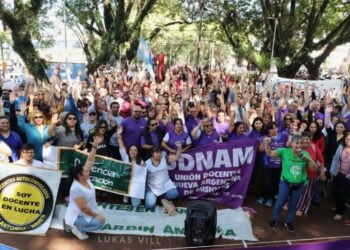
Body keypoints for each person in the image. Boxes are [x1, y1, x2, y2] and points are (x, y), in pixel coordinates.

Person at [265, 134, 317, 232]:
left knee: (293, 204)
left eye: (301, 143)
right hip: (285, 182)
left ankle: (288, 221)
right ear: (291, 144)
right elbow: (270, 153)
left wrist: (308, 159)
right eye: (296, 143)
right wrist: (267, 144)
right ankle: (274, 219)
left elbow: (314, 169)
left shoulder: (305, 154)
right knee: (280, 202)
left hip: (300, 184)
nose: (299, 145)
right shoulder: (284, 151)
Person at [64, 136, 105, 240]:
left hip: (85, 211)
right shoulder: (76, 188)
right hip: (79, 215)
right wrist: (96, 215)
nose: (89, 171)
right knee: (100, 222)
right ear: (79, 175)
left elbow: (90, 159)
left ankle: (78, 225)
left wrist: (95, 146)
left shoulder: (84, 177)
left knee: (99, 218)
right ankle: (76, 227)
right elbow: (83, 208)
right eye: (86, 171)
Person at [145, 143, 182, 209]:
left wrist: (179, 148)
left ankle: (161, 197)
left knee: (174, 194)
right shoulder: (146, 163)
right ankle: (154, 197)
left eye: (160, 152)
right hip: (153, 188)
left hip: (165, 185)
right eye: (157, 152)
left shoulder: (164, 157)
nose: (159, 154)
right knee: (150, 205)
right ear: (152, 153)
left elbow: (177, 157)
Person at [118, 126, 146, 206]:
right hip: (126, 183)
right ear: (129, 151)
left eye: (135, 150)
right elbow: (122, 147)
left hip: (136, 185)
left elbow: (142, 176)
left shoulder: (141, 162)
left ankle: (133, 195)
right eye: (131, 150)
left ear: (137, 152)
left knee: (136, 204)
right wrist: (119, 137)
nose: (133, 152)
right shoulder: (125, 158)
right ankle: (126, 194)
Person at [330, 132, 350, 221]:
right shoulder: (341, 147)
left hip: (347, 176)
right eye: (346, 139)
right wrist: (333, 170)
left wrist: (348, 176)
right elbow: (335, 159)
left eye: (349, 139)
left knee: (342, 193)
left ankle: (340, 212)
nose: (348, 140)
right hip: (338, 173)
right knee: (334, 191)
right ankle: (338, 204)